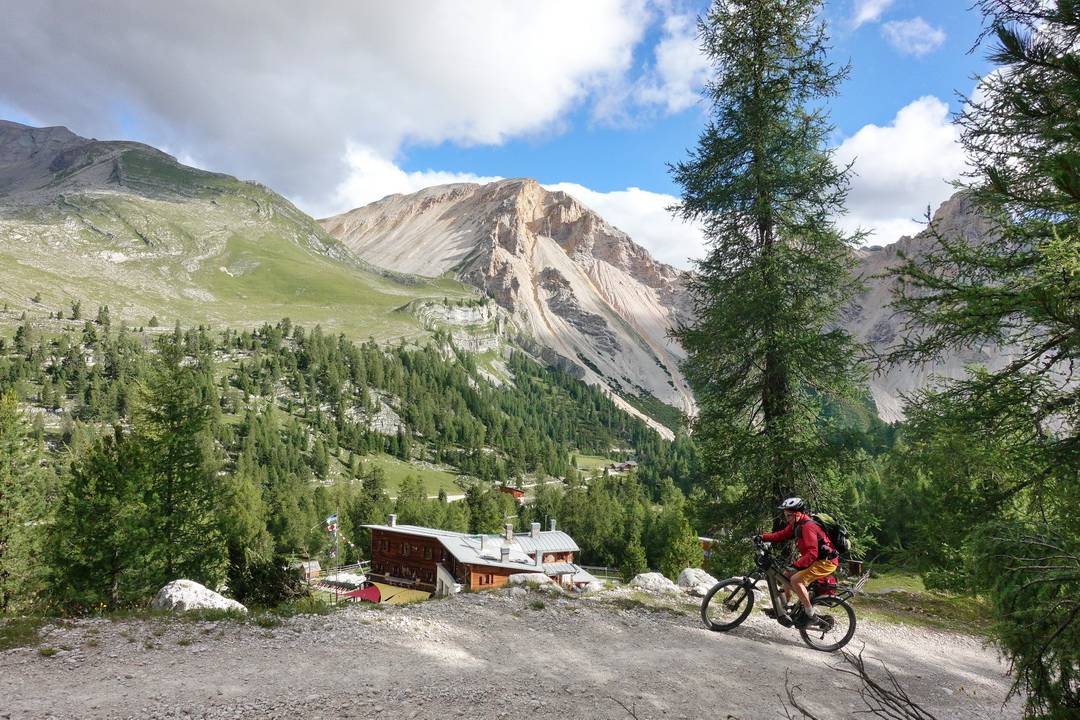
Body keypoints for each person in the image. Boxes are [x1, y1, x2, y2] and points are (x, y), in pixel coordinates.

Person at [756, 497, 838, 628]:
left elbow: (812, 553)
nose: (786, 518)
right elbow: (781, 535)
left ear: (798, 514)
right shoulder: (797, 524)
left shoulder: (808, 527)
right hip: (816, 560)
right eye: (785, 515)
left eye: (789, 515)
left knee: (795, 580)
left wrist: (797, 565)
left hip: (826, 562)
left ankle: (810, 615)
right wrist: (763, 537)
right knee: (785, 575)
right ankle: (783, 610)